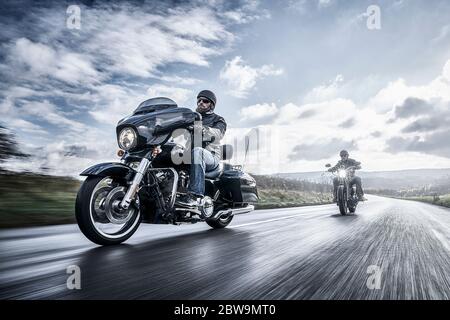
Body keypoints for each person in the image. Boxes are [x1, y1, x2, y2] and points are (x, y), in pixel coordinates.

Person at [178, 90, 227, 207]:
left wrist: (203, 129)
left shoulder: (218, 119)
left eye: (205, 101)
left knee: (198, 152)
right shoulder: (191, 118)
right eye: (199, 100)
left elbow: (218, 133)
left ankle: (195, 196)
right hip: (189, 155)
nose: (201, 103)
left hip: (211, 156)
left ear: (211, 105)